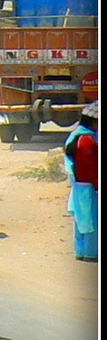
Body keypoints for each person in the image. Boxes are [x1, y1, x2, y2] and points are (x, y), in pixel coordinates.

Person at [63, 103, 97, 262]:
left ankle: (81, 251)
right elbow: (89, 167)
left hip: (79, 185)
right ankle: (91, 253)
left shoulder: (76, 135)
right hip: (88, 186)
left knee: (81, 220)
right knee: (92, 221)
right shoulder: (86, 139)